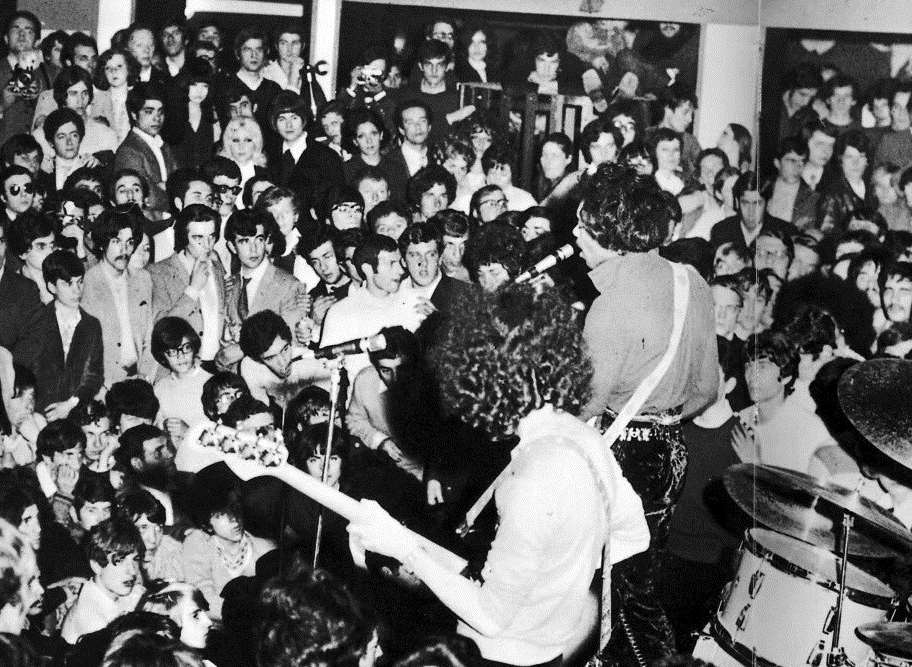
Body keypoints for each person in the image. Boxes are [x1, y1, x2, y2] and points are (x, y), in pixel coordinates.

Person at [349, 284, 647, 666]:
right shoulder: (583, 436)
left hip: (504, 656)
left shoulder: (530, 482)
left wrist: (402, 547)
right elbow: (634, 535)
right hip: (553, 645)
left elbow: (489, 617)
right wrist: (558, 588)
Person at [574, 164, 717, 664]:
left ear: (610, 235)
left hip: (620, 455)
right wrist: (660, 416)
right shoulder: (690, 280)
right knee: (636, 582)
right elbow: (707, 388)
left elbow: (583, 407)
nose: (574, 234)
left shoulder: (611, 303)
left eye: (582, 225)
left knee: (616, 592)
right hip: (670, 449)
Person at [82, 207, 156, 387]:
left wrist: (144, 374)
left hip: (140, 378)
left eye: (130, 242)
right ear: (101, 244)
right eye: (116, 241)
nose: (124, 250)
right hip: (103, 382)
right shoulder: (87, 283)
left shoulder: (142, 279)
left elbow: (149, 333)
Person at [149, 204, 229, 370]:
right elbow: (162, 330)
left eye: (212, 236)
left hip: (218, 364)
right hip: (183, 367)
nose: (207, 245)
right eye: (198, 238)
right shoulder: (159, 272)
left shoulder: (217, 266)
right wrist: (193, 289)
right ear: (184, 237)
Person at [34, 250, 104, 418]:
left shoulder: (91, 325)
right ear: (52, 287)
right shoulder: (37, 322)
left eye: (79, 282)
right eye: (68, 284)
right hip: (43, 413)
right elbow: (31, 371)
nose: (76, 291)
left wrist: (71, 404)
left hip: (77, 412)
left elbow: (94, 376)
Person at [60, 517, 146, 645]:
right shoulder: (92, 620)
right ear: (97, 566)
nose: (132, 571)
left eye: (135, 559)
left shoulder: (120, 590)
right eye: (120, 560)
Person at [269, 90, 344, 218]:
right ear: (274, 123)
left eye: (294, 118)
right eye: (282, 119)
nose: (289, 125)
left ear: (303, 120)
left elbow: (336, 200)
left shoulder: (326, 156)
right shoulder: (270, 156)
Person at [112, 82, 179, 219]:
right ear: (134, 115)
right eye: (149, 112)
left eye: (160, 111)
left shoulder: (163, 145)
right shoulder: (129, 151)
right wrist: (169, 191)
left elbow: (181, 183)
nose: (157, 118)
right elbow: (149, 199)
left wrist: (162, 187)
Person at [151, 317, 213, 443]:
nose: (181, 356)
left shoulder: (212, 382)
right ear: (163, 356)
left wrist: (189, 432)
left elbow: (226, 434)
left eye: (186, 347)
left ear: (194, 347)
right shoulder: (160, 388)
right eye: (172, 352)